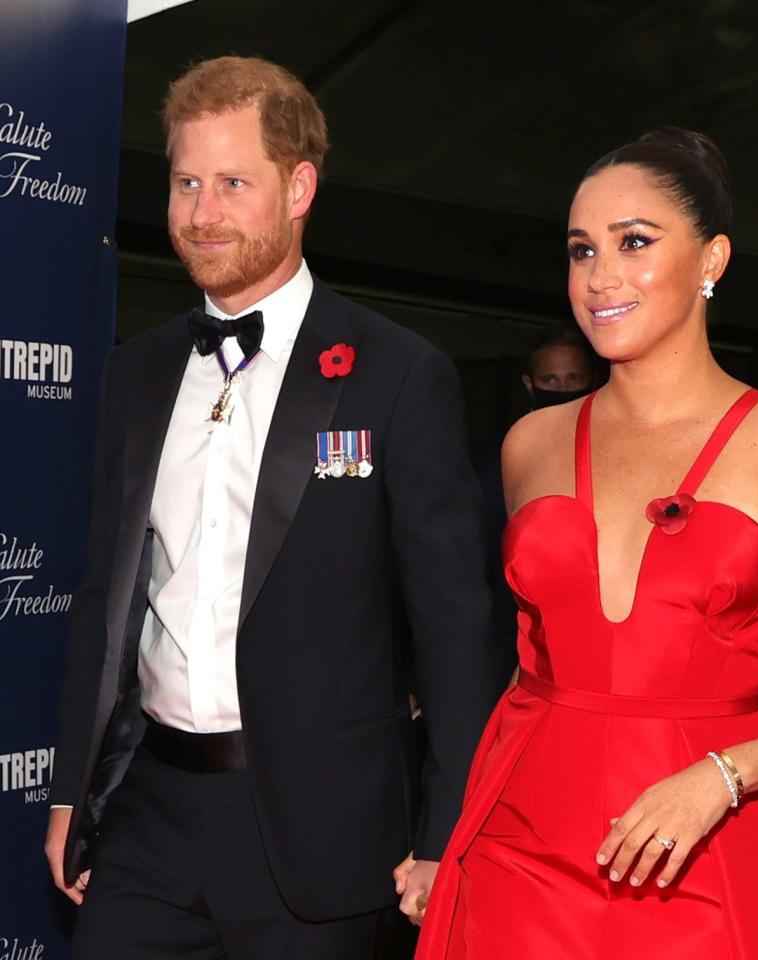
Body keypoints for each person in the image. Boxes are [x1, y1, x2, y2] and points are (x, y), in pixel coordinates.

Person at [412, 126, 758, 959]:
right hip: (523, 847)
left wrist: (725, 776)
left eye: (635, 243)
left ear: (713, 259)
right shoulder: (530, 444)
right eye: (582, 250)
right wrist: (449, 832)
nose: (600, 276)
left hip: (710, 854)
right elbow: (530, 661)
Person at [44, 56, 502, 959]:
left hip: (323, 832)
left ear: (299, 188)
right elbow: (105, 599)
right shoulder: (135, 373)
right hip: (150, 813)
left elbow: (456, 629)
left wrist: (448, 834)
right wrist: (71, 790)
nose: (202, 213)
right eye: (185, 182)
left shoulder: (399, 374)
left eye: (232, 183)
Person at [521, 325, 598, 409]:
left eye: (574, 378)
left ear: (593, 380)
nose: (563, 389)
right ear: (528, 384)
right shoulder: (520, 422)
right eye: (550, 380)